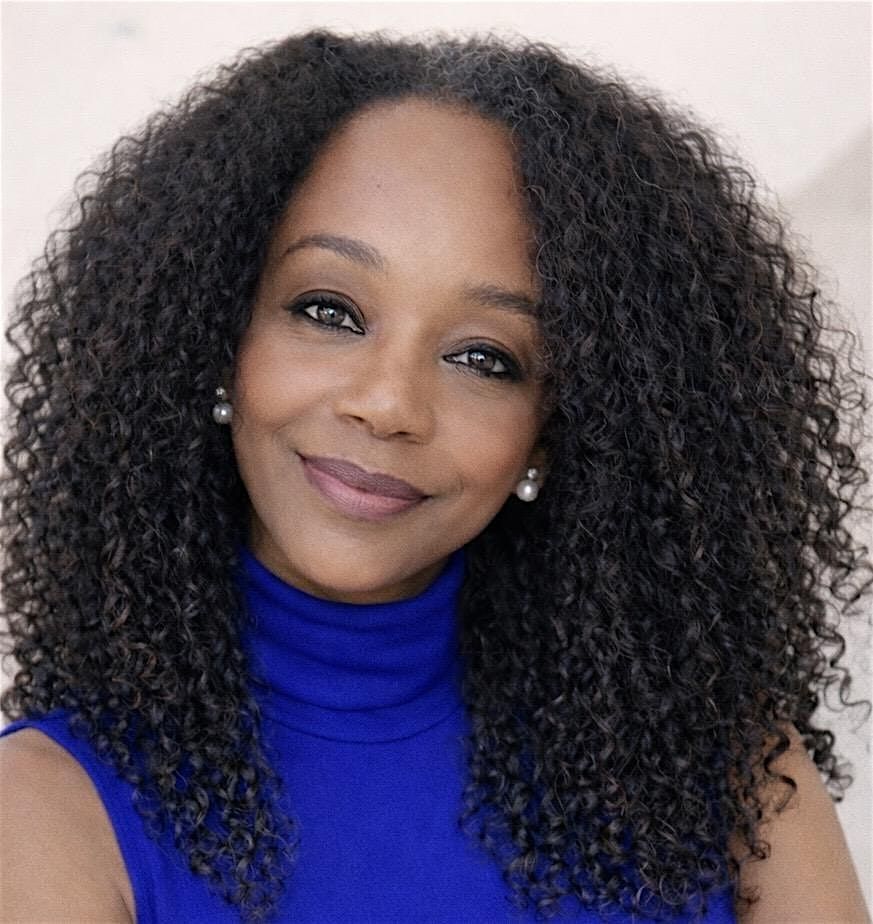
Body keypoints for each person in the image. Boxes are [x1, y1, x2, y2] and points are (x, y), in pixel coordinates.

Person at [0, 28, 870, 924]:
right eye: (328, 311)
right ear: (216, 336)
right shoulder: (50, 812)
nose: (388, 405)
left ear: (553, 435)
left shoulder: (733, 785)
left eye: (484, 358)